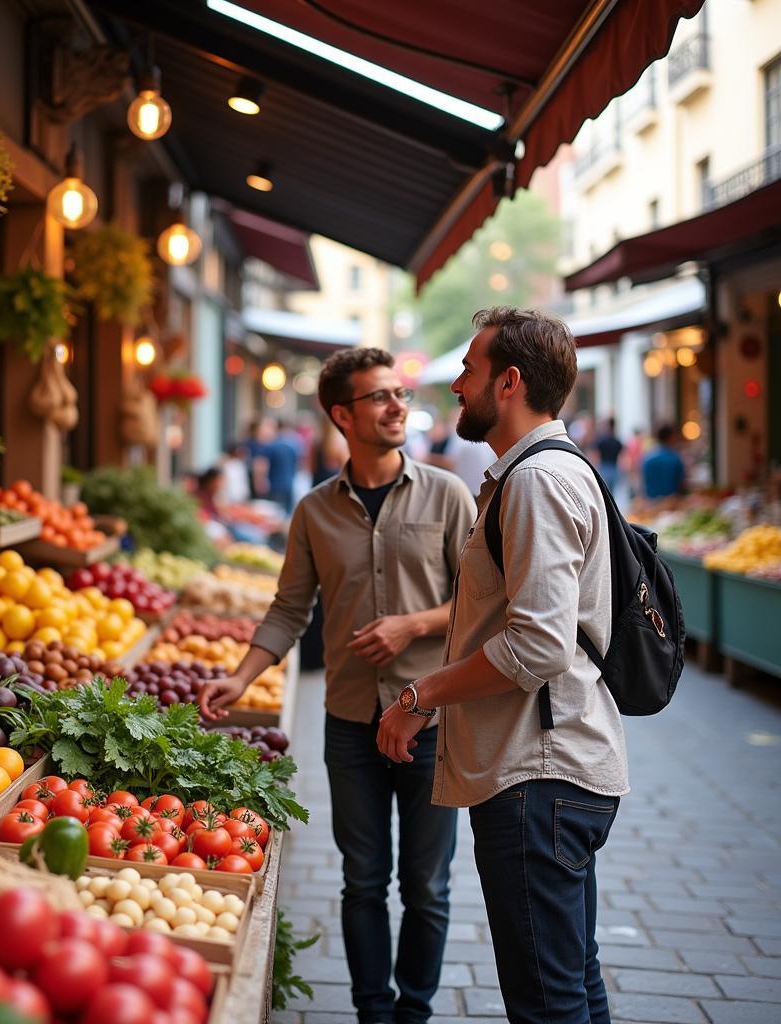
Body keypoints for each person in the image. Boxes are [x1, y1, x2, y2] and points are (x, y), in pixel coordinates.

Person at [200, 348, 476, 1024]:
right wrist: (240, 677)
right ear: (342, 415)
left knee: (427, 886)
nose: (397, 407)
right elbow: (289, 608)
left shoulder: (447, 494)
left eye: (399, 394)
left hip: (430, 718)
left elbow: (481, 600)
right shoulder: (315, 511)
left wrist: (411, 625)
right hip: (351, 721)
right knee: (362, 881)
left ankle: (415, 1011)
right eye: (379, 397)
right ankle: (371, 1011)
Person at [376, 307, 628, 1024]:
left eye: (470, 369)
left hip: (536, 776)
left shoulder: (538, 481)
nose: (456, 384)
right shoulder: (544, 471)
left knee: (547, 1004)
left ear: (509, 382)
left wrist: (419, 695)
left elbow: (538, 645)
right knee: (573, 989)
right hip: (551, 773)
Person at [642, 424, 686, 499]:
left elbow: (644, 484)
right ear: (671, 437)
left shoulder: (647, 458)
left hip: (650, 504)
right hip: (672, 503)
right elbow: (681, 484)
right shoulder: (675, 459)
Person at [591, 416, 624, 496]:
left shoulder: (602, 441)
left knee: (604, 492)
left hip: (604, 467)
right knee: (612, 493)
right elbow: (621, 457)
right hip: (614, 468)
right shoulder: (617, 441)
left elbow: (596, 455)